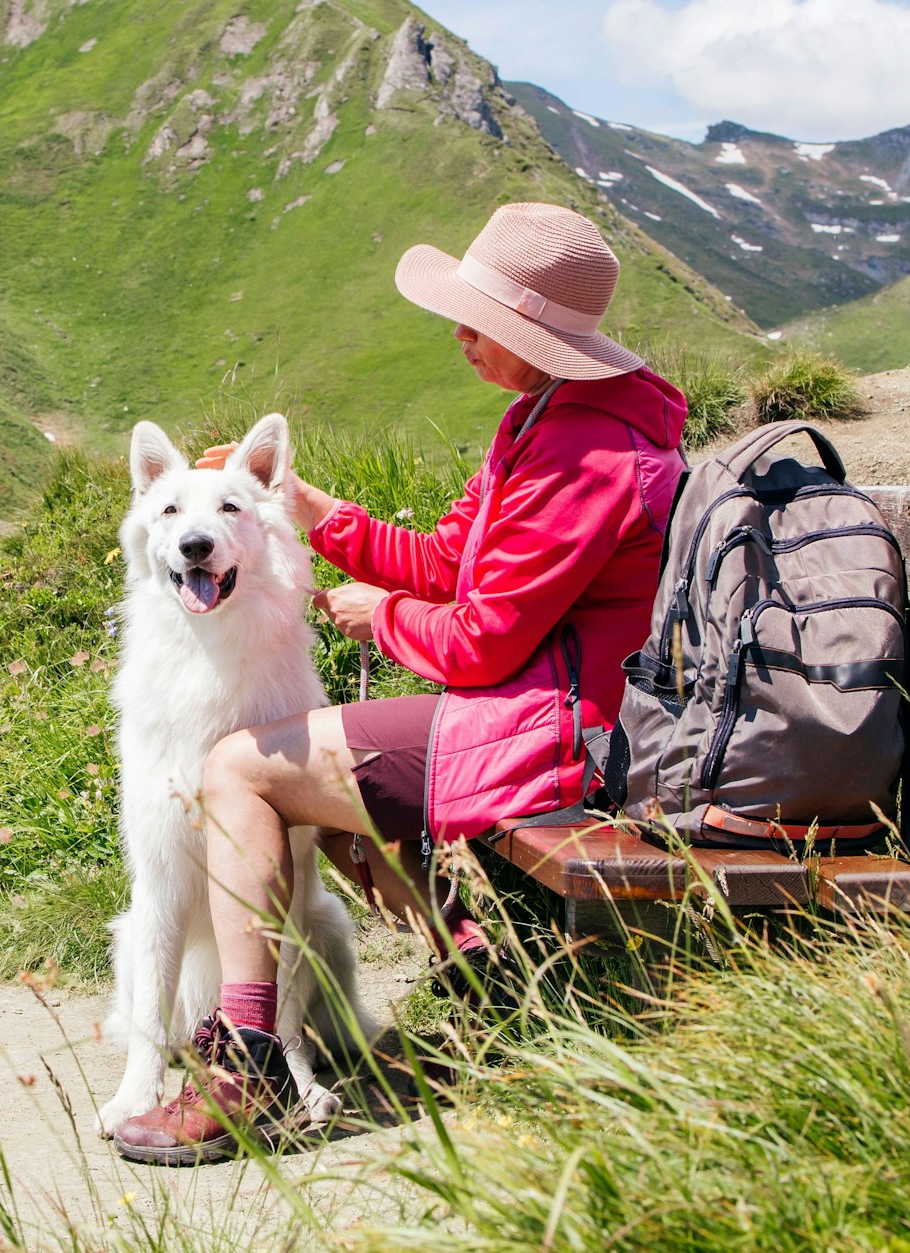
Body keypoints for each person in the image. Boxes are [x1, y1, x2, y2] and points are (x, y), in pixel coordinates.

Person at [111, 202, 689, 1163]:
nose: (460, 336)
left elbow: (481, 641)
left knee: (241, 771)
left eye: (480, 322)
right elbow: (447, 557)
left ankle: (248, 1070)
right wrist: (311, 510)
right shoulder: (544, 421)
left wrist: (377, 616)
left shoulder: (587, 456)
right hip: (530, 703)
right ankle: (486, 977)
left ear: (539, 336)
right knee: (321, 775)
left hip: (564, 724)